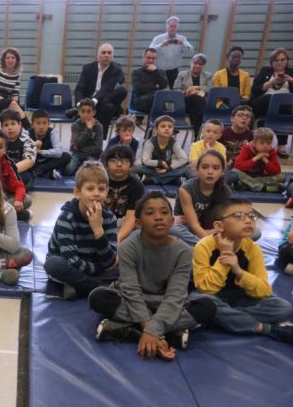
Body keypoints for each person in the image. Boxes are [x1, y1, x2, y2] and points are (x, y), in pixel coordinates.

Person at [89, 192, 216, 359]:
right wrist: (155, 330)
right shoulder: (127, 247)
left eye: (164, 213)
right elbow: (130, 290)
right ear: (138, 223)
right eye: (150, 213)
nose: (158, 217)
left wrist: (151, 330)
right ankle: (169, 335)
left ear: (172, 221)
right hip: (132, 300)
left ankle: (128, 330)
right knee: (98, 297)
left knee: (208, 307)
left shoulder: (184, 251)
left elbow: (175, 294)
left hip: (165, 302)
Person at [192, 197, 293, 344]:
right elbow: (206, 288)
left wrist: (239, 271)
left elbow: (264, 290)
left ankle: (222, 319)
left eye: (251, 216)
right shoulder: (203, 246)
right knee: (201, 301)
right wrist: (225, 258)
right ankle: (264, 328)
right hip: (213, 298)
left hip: (241, 299)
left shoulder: (253, 248)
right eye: (238, 216)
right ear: (219, 225)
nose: (248, 220)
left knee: (283, 308)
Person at [44, 162, 118, 300]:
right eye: (90, 189)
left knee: (125, 264)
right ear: (77, 193)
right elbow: (70, 259)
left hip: (91, 263)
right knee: (53, 264)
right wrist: (100, 269)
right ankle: (97, 287)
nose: (96, 193)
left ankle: (77, 285)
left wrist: (98, 230)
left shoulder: (110, 218)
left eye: (101, 189)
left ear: (107, 192)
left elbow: (109, 261)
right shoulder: (66, 218)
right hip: (71, 264)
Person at [171, 149, 232, 247]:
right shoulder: (186, 189)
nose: (210, 171)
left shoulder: (225, 191)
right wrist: (208, 243)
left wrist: (212, 231)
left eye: (216, 168)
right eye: (205, 167)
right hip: (187, 228)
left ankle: (198, 244)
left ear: (222, 172)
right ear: (197, 169)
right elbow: (193, 225)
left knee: (254, 231)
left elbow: (225, 221)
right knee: (172, 229)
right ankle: (207, 246)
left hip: (211, 229)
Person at [67, 43, 127, 137]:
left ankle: (99, 138)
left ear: (112, 56)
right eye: (103, 52)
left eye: (109, 53)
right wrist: (80, 104)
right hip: (89, 99)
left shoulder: (116, 70)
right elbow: (79, 88)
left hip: (103, 98)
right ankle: (81, 111)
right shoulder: (87, 68)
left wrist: (92, 102)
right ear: (98, 55)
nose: (106, 55)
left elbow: (106, 88)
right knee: (108, 106)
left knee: (121, 91)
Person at [0, 129, 32, 221]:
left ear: (5, 149)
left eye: (0, 147)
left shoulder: (10, 164)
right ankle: (16, 216)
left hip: (5, 198)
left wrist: (18, 200)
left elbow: (19, 186)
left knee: (27, 199)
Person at [250, 48, 293, 159]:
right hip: (264, 102)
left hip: (285, 105)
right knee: (271, 98)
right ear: (271, 61)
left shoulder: (291, 73)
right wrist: (272, 82)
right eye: (276, 60)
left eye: (283, 60)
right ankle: (261, 143)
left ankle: (281, 146)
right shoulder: (265, 71)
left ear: (287, 61)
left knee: (284, 104)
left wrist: (291, 81)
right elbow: (255, 90)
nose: (279, 62)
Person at [102, 145, 144, 244]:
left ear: (131, 165)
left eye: (125, 161)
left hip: (125, 226)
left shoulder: (136, 186)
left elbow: (131, 217)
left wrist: (118, 238)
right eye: (113, 161)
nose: (119, 164)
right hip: (100, 221)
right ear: (106, 164)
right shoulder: (99, 181)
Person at [135, 115, 190, 185]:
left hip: (167, 170)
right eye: (163, 126)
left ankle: (152, 180)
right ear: (156, 130)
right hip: (152, 169)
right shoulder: (149, 142)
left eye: (170, 127)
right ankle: (171, 179)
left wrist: (169, 168)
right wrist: (160, 163)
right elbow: (145, 161)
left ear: (173, 130)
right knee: (138, 168)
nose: (167, 129)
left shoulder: (174, 142)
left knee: (186, 169)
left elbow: (184, 158)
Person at [231, 127, 285, 193]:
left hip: (262, 177)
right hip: (248, 176)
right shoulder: (246, 148)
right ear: (254, 143)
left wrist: (265, 160)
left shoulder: (272, 151)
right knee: (235, 172)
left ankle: (249, 186)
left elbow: (276, 171)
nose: (265, 146)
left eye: (269, 143)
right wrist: (256, 158)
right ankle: (264, 188)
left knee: (281, 176)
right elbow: (238, 166)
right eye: (262, 143)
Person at [174, 53, 213, 138]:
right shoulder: (182, 75)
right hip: (185, 103)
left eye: (200, 64)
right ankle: (200, 131)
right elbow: (176, 90)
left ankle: (195, 135)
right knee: (196, 98)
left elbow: (210, 89)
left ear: (203, 66)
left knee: (195, 108)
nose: (197, 66)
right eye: (195, 63)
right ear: (191, 63)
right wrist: (187, 92)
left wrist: (197, 87)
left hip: (198, 106)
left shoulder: (208, 76)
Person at [149, 16, 194, 89]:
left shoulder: (182, 39)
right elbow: (150, 51)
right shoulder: (158, 38)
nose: (172, 28)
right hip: (159, 70)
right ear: (167, 26)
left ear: (177, 27)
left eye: (174, 26)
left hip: (173, 71)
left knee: (175, 92)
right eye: (171, 26)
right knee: (157, 92)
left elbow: (191, 51)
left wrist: (183, 44)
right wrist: (161, 45)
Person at [190, 119, 236, 187]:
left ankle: (213, 185)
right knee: (190, 172)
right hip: (200, 172)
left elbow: (222, 165)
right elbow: (193, 164)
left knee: (234, 175)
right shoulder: (195, 145)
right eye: (208, 131)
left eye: (215, 132)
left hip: (215, 173)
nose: (211, 134)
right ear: (203, 131)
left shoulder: (221, 147)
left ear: (219, 136)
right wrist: (208, 153)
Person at [66, 98, 103, 176]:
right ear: (79, 112)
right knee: (69, 169)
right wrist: (88, 129)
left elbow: (98, 148)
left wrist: (80, 149)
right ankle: (81, 166)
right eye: (83, 111)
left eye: (89, 111)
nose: (85, 114)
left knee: (89, 172)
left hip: (92, 155)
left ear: (94, 113)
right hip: (77, 154)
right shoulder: (75, 125)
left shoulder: (99, 126)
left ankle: (81, 166)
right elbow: (77, 144)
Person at [0, 108, 37, 185]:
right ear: (1, 128)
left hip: (20, 171)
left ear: (19, 125)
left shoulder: (27, 140)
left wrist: (9, 171)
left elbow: (29, 161)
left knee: (24, 178)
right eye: (6, 125)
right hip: (2, 170)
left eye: (13, 124)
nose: (10, 128)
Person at [30, 109, 71, 179]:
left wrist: (41, 152)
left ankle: (40, 170)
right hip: (34, 161)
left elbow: (58, 152)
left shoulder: (52, 132)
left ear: (49, 124)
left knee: (66, 156)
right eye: (38, 123)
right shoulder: (27, 133)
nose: (41, 127)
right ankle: (46, 172)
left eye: (44, 123)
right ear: (32, 125)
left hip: (48, 160)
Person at [131, 48, 169, 113]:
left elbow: (164, 85)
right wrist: (155, 87)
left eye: (153, 58)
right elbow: (139, 89)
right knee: (157, 98)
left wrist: (155, 71)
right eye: (148, 58)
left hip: (156, 99)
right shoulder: (136, 72)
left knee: (161, 98)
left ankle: (157, 122)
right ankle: (154, 122)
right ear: (143, 58)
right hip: (140, 100)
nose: (151, 60)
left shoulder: (160, 72)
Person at [218, 104, 254, 169]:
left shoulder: (252, 135)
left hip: (243, 165)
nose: (244, 118)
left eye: (248, 116)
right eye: (240, 115)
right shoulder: (222, 133)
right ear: (232, 118)